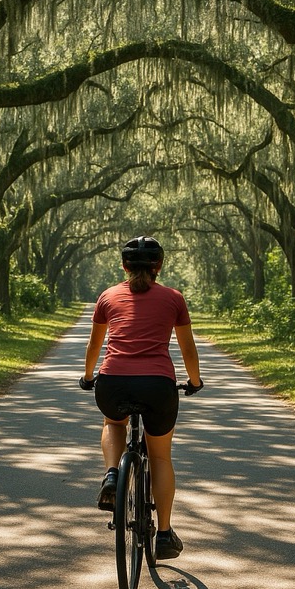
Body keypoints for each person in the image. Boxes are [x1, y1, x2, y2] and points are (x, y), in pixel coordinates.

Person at [80, 235, 203, 560]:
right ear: (158, 267)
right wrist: (195, 381)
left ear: (124, 266)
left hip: (113, 383)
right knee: (160, 457)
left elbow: (94, 346)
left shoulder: (107, 297)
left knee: (113, 422)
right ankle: (163, 535)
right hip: (157, 385)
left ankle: (111, 473)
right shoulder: (173, 298)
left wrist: (89, 376)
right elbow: (187, 348)